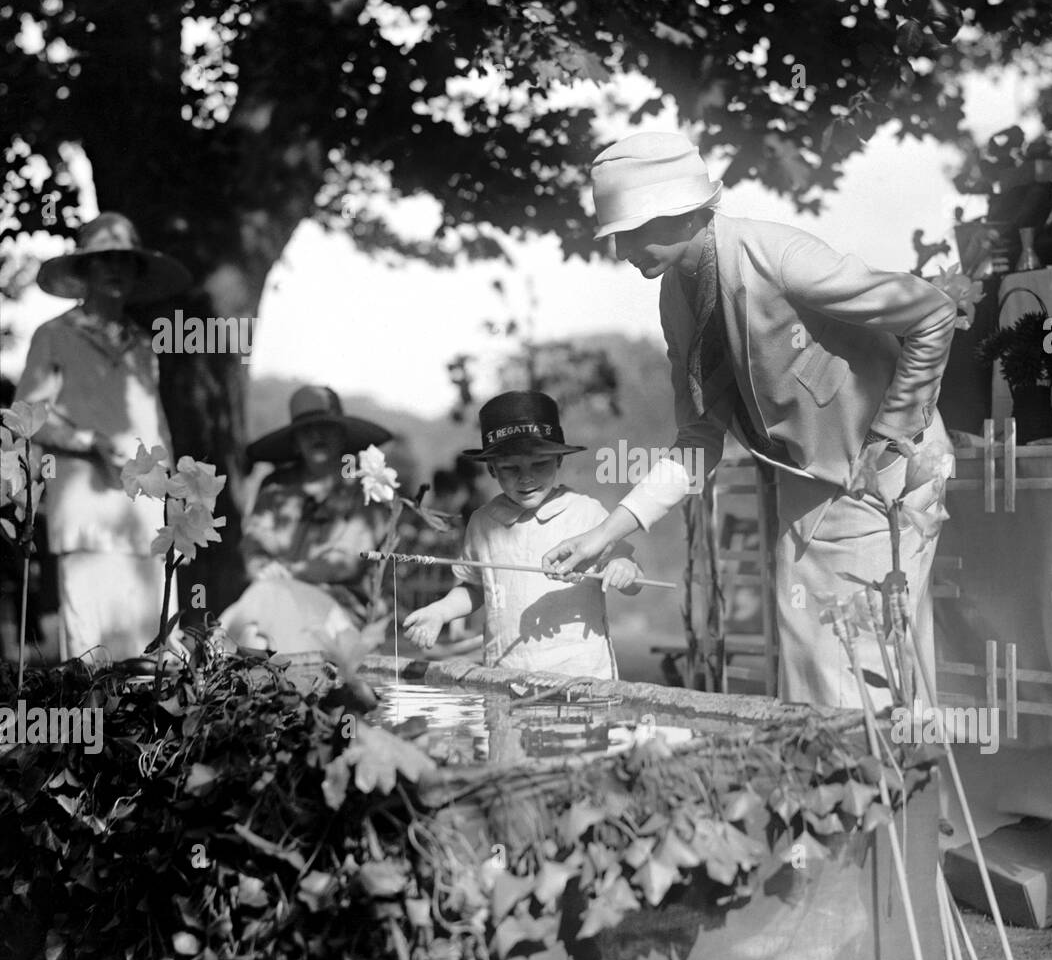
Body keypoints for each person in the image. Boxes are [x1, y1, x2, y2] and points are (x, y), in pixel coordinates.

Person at [543, 132, 958, 711]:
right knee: (812, 663)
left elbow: (933, 312)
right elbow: (697, 440)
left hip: (884, 474)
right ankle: (841, 797)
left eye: (633, 232)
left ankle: (885, 792)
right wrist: (605, 533)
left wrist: (891, 433)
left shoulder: (782, 257)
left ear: (684, 213)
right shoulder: (676, 298)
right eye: (617, 237)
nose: (621, 253)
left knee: (866, 669)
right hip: (812, 486)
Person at [15, 212, 190, 662]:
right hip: (85, 509)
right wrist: (88, 440)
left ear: (137, 274)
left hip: (145, 509)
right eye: (103, 260)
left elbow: (157, 425)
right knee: (92, 651)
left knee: (156, 643)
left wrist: (175, 496)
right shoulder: (53, 336)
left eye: (126, 262)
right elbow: (24, 416)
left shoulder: (145, 345)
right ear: (84, 271)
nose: (115, 270)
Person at [403, 390, 643, 678]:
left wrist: (624, 569)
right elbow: (475, 587)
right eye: (511, 468)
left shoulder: (586, 513)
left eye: (539, 464)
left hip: (582, 677)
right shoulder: (482, 523)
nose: (525, 477)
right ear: (492, 470)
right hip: (505, 676)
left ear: (558, 461)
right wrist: (440, 613)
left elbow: (634, 579)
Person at [219, 385, 392, 652]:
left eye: (327, 427)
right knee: (254, 612)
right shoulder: (275, 487)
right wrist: (263, 569)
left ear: (342, 434)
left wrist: (288, 573)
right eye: (307, 429)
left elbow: (348, 561)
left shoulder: (368, 486)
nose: (317, 435)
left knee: (264, 609)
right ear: (295, 441)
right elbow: (254, 545)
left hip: (341, 609)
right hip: (270, 596)